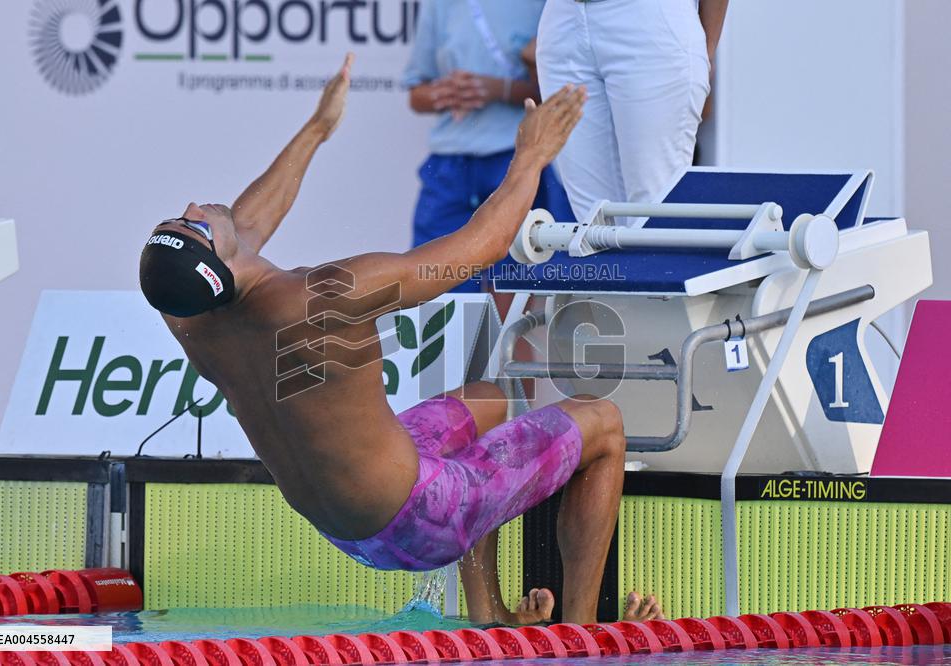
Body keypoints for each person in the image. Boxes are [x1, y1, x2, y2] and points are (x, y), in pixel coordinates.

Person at [138, 54, 662, 624]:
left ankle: (487, 614)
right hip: (424, 515)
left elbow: (243, 227)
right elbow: (479, 248)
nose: (194, 206)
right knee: (603, 422)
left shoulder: (189, 316)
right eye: (193, 222)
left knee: (489, 399)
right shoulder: (326, 296)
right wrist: (531, 157)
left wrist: (317, 129)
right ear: (218, 259)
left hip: (344, 526)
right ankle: (581, 635)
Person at [405, 0, 573, 292]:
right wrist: (445, 93)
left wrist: (499, 90)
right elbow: (417, 94)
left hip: (516, 158)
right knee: (431, 280)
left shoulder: (545, 5)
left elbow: (565, 92)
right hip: (449, 164)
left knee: (518, 284)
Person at [536, 0, 729, 223]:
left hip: (649, 17)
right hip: (563, 17)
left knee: (654, 209)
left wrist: (705, 51)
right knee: (591, 220)